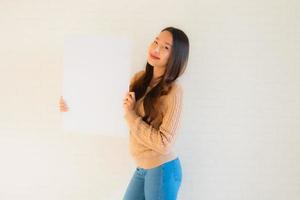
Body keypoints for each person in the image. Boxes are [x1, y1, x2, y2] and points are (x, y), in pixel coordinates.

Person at [59, 26, 189, 200]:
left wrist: (131, 115)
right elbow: (111, 107)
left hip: (162, 168)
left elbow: (165, 143)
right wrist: (73, 106)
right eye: (156, 41)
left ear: (176, 57)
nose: (156, 48)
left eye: (165, 47)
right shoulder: (139, 80)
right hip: (142, 167)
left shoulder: (174, 92)